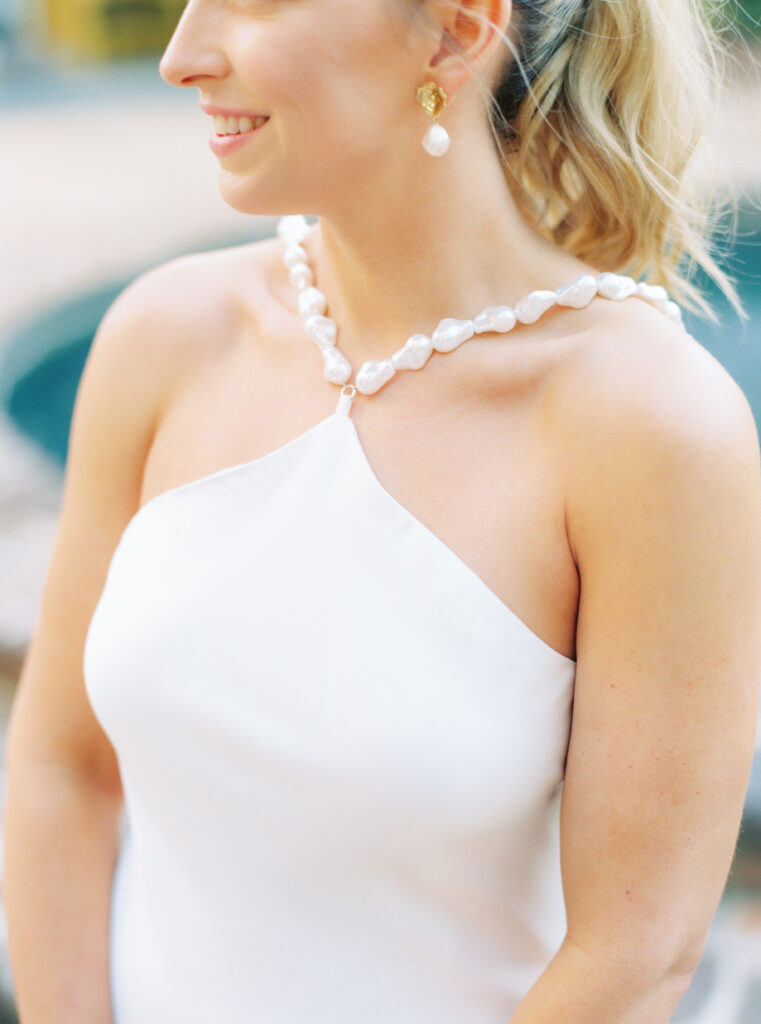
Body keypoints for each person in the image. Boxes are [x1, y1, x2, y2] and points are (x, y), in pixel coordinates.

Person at [3, 0, 761, 1021]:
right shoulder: (165, 337)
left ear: (455, 29)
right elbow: (62, 768)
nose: (182, 57)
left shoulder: (651, 427)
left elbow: (634, 952)